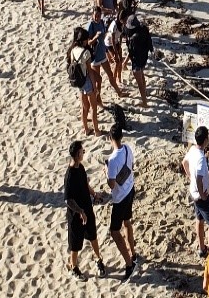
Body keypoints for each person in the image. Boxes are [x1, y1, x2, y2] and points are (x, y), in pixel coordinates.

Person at [65, 140, 106, 280]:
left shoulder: (80, 167)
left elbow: (85, 184)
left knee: (93, 236)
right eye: (82, 151)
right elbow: (68, 199)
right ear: (77, 155)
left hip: (87, 210)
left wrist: (94, 194)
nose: (84, 152)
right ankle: (73, 266)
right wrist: (80, 211)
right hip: (76, 215)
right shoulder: (70, 175)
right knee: (75, 244)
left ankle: (98, 258)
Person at [106, 125, 138, 281]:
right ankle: (133, 253)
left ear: (110, 138)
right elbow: (132, 167)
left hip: (120, 198)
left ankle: (129, 264)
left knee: (114, 231)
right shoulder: (127, 149)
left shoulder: (112, 160)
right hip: (130, 189)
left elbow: (111, 185)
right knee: (127, 222)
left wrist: (105, 174)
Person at [183, 126, 209, 258]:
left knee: (199, 219)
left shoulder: (192, 149)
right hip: (201, 195)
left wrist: (189, 176)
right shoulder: (201, 160)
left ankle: (202, 248)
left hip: (193, 193)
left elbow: (184, 162)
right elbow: (199, 179)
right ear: (205, 140)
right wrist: (203, 195)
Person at [68, 27, 100, 136]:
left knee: (84, 107)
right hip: (86, 80)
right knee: (93, 107)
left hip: (78, 80)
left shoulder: (73, 50)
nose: (88, 41)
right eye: (86, 39)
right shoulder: (86, 52)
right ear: (83, 40)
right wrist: (95, 87)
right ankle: (96, 130)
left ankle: (86, 129)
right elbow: (90, 71)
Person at [125, 14, 153, 107]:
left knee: (139, 82)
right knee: (142, 75)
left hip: (137, 61)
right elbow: (150, 43)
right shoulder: (144, 29)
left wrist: (125, 62)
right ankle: (145, 94)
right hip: (144, 57)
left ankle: (144, 102)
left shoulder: (133, 38)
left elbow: (131, 52)